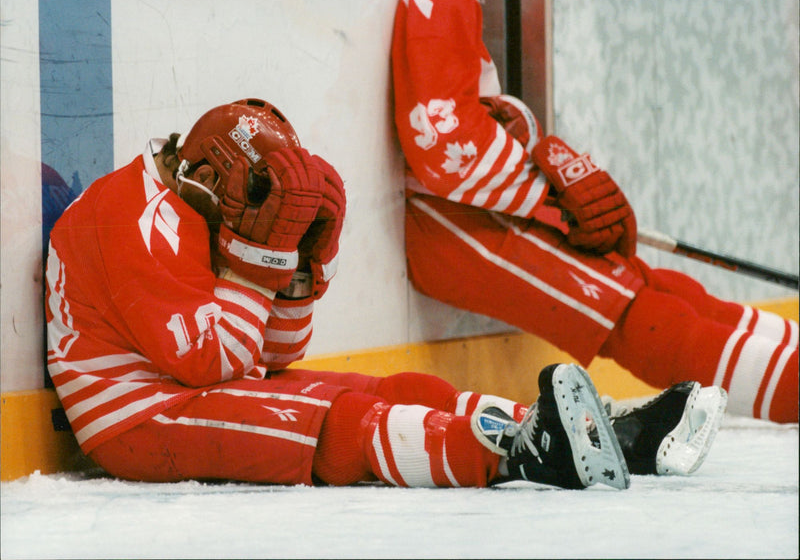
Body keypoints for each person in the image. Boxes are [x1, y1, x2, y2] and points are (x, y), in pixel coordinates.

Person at [45, 98, 719, 491]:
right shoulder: (129, 217)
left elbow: (272, 352)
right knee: (338, 426)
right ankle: (517, 449)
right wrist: (261, 260)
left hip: (183, 389)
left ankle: (609, 436)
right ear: (204, 174)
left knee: (389, 389)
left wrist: (308, 258)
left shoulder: (193, 197)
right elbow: (211, 363)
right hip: (136, 419)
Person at [390, 0, 798, 424]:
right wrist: (555, 196)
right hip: (456, 224)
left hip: (483, 206)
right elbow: (439, 140)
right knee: (635, 315)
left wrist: (554, 172)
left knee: (656, 286)